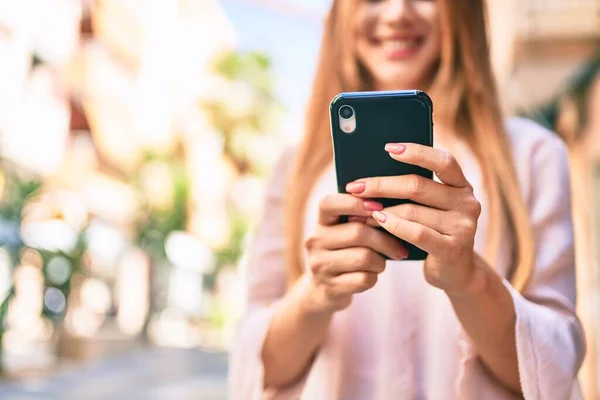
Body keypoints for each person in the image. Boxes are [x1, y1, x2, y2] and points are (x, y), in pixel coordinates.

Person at [230, 1, 586, 399]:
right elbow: (259, 367)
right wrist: (314, 296)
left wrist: (469, 280)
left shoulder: (532, 155)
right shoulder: (296, 168)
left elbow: (554, 368)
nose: (398, 13)